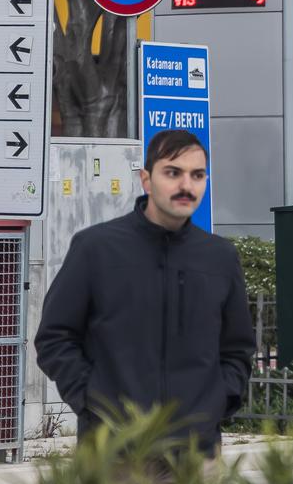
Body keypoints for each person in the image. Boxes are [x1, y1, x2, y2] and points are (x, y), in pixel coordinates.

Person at [35, 129, 255, 463]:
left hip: (196, 455)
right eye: (173, 173)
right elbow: (55, 337)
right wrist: (94, 402)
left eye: (197, 175)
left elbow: (237, 348)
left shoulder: (220, 257)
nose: (186, 185)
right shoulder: (96, 249)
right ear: (146, 180)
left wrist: (217, 403)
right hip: (112, 454)